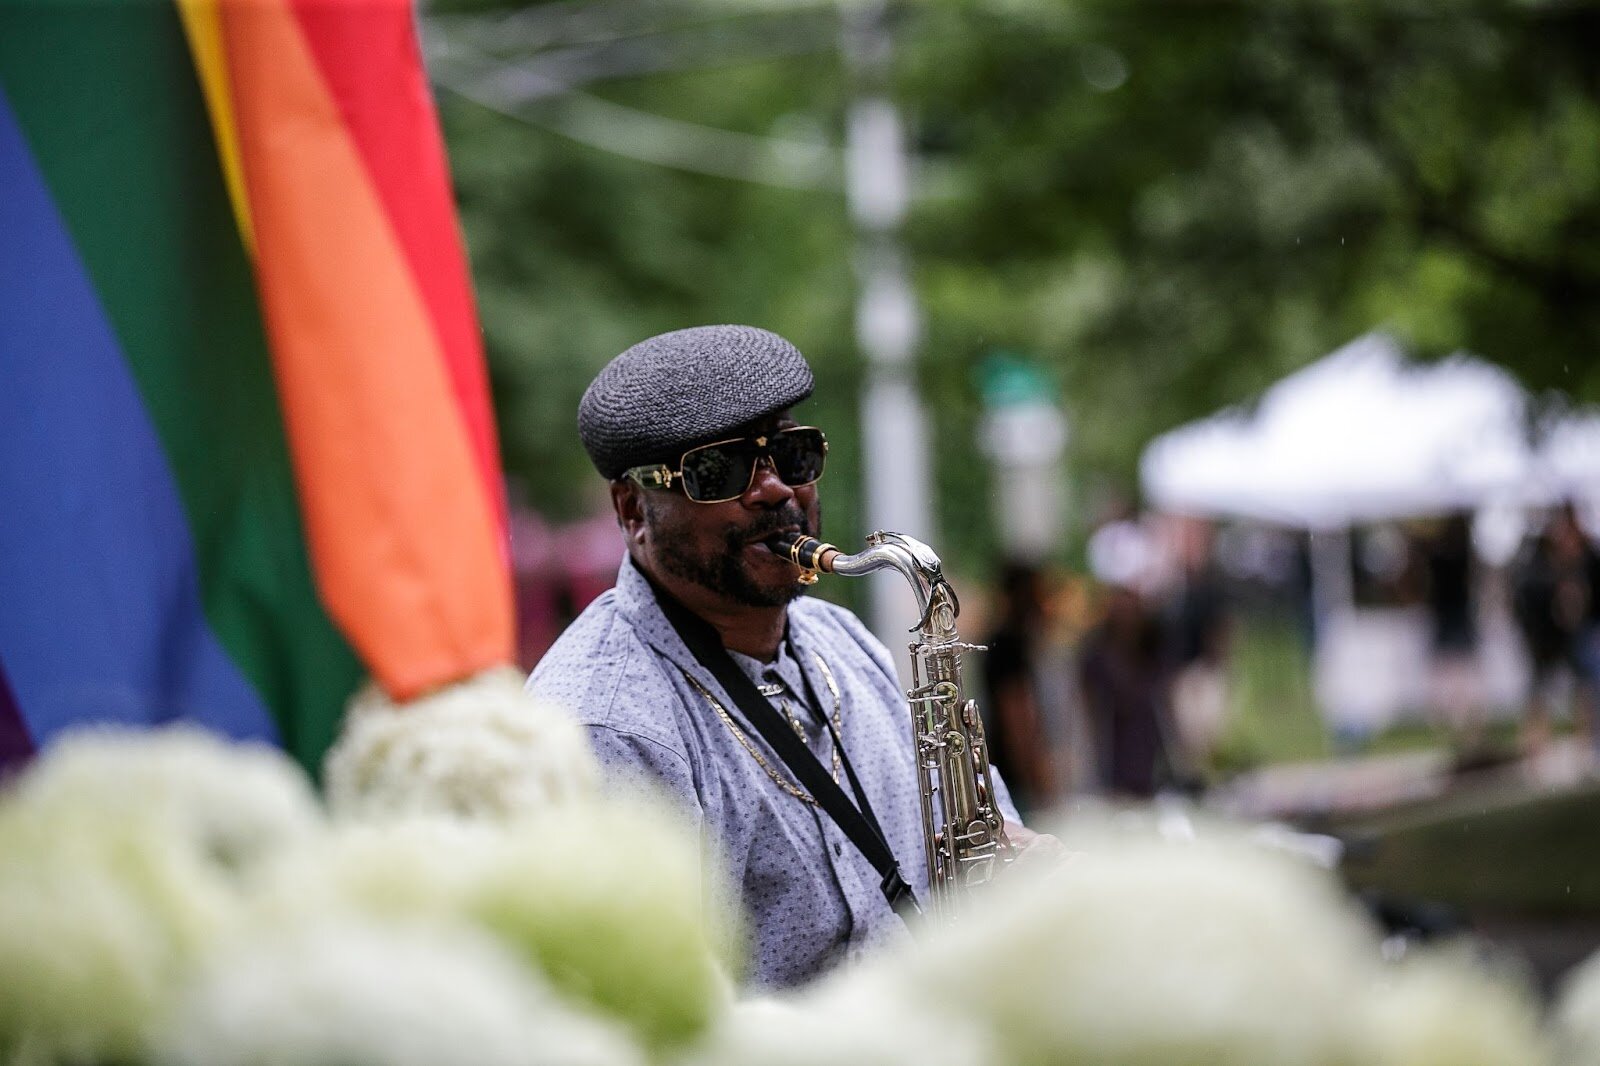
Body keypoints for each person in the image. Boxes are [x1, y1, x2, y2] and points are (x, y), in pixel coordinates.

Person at [527, 325, 1048, 989]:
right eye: (721, 470)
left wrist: (1016, 856)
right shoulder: (601, 728)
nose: (775, 491)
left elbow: (981, 832)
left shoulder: (844, 640)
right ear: (633, 510)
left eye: (793, 456)